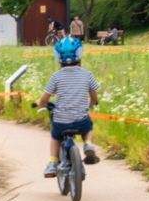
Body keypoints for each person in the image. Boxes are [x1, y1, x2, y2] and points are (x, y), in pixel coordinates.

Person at [39, 35, 102, 178]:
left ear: (57, 57)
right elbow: (94, 96)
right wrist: (91, 104)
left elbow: (44, 99)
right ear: (80, 54)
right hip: (81, 121)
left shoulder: (56, 76)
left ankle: (53, 162)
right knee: (88, 126)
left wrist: (39, 103)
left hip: (61, 122)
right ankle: (88, 145)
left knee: (55, 136)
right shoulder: (87, 75)